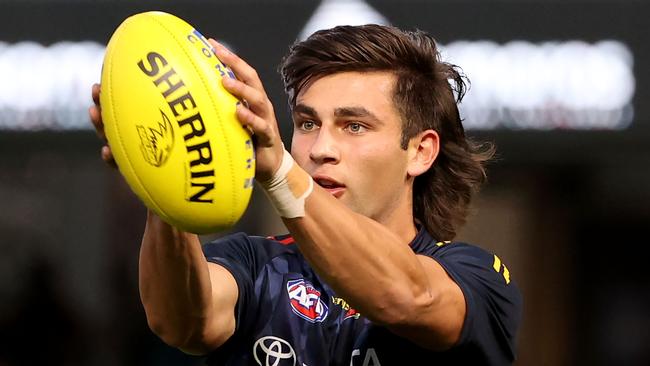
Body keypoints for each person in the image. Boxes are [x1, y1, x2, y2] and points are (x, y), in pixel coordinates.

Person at [90, 24, 521, 365]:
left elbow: (405, 297)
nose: (320, 150)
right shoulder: (257, 265)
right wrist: (165, 172)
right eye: (308, 124)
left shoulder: (475, 276)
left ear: (420, 151)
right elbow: (180, 323)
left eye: (354, 126)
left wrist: (279, 170)